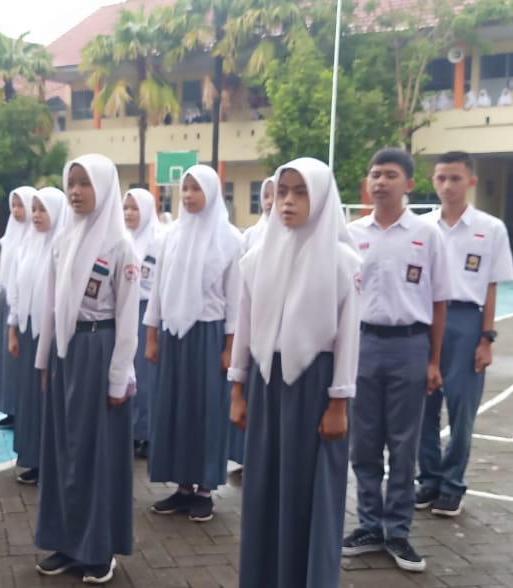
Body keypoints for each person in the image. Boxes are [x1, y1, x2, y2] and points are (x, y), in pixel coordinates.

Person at [231, 158, 361, 588]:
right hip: (267, 384)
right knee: (264, 486)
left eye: (301, 192)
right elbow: (245, 327)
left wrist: (338, 403)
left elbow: (348, 338)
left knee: (309, 491)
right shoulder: (256, 258)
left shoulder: (342, 262)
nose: (287, 201)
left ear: (321, 198)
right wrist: (238, 390)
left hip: (316, 388)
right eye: (283, 191)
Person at [342, 148, 450, 573]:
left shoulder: (427, 234)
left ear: (409, 184)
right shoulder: (351, 234)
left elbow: (439, 300)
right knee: (364, 442)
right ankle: (369, 525)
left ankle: (398, 530)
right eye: (375, 174)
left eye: (390, 175)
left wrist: (433, 361)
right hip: (363, 344)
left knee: (404, 444)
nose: (380, 181)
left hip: (410, 345)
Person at [33, 154, 139, 584]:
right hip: (67, 352)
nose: (75, 192)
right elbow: (51, 305)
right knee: (63, 451)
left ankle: (98, 550)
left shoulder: (120, 247)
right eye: (71, 183)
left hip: (100, 351)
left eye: (85, 183)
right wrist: (45, 359)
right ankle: (64, 540)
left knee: (96, 455)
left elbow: (128, 318)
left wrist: (118, 377)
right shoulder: (63, 240)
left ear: (105, 187)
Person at [415, 152, 513, 517]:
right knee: (423, 407)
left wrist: (486, 337)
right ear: (433, 181)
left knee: (461, 410)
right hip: (425, 319)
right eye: (441, 178)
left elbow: (490, 286)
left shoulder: (490, 228)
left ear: (471, 181)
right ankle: (428, 478)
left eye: (455, 178)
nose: (447, 185)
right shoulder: (421, 227)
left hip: (465, 321)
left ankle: (452, 483)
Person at [144, 164, 243, 523]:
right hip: (174, 335)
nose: (187, 195)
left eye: (196, 188)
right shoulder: (170, 235)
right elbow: (157, 290)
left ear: (212, 193)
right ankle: (183, 486)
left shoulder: (230, 239)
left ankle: (204, 490)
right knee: (174, 410)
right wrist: (152, 335)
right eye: (184, 189)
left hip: (209, 335)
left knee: (206, 412)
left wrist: (230, 348)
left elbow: (235, 301)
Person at [7, 186, 70, 485]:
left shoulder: (63, 248)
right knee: (30, 400)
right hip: (28, 333)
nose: (36, 215)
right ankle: (34, 458)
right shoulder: (27, 245)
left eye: (42, 209)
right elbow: (16, 291)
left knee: (50, 400)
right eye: (34, 209)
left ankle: (53, 462)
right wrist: (13, 330)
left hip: (53, 337)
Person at [0, 186, 36, 429]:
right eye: (13, 206)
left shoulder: (36, 237)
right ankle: (9, 407)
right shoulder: (10, 236)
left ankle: (23, 408)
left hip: (25, 305)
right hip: (6, 302)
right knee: (6, 361)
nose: (17, 211)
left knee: (20, 360)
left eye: (21, 205)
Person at [124, 187, 160, 459]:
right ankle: (131, 430)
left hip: (146, 312)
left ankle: (147, 434)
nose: (128, 213)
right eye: (125, 208)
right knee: (126, 372)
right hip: (125, 310)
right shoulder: (122, 239)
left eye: (135, 208)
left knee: (145, 376)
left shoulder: (157, 241)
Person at [242, 177, 275, 249]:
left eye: (275, 196)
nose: (269, 201)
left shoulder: (290, 234)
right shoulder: (250, 234)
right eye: (266, 196)